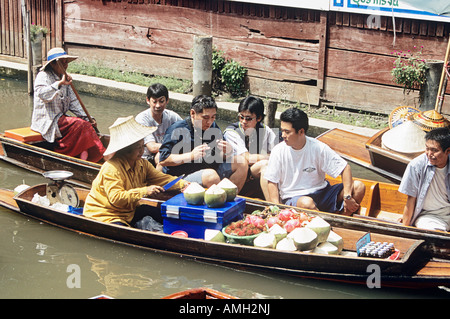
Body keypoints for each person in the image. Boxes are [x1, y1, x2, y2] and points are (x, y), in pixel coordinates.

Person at [83, 116, 186, 228]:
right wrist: (145, 190)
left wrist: (183, 184)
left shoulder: (142, 164)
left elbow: (161, 178)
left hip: (129, 212)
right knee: (128, 228)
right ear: (125, 150)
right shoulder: (111, 168)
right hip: (106, 215)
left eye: (142, 146)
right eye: (138, 148)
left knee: (161, 213)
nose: (142, 150)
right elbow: (116, 199)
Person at [264, 107, 365, 215]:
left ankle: (339, 222)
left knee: (359, 187)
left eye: (287, 132)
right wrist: (278, 210)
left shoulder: (318, 147)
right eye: (282, 130)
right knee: (307, 203)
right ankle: (327, 224)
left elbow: (345, 168)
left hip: (323, 193)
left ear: (301, 131)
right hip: (295, 198)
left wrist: (347, 196)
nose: (283, 135)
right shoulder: (278, 151)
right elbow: (272, 182)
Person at [159, 95, 248, 192]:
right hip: (182, 177)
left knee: (241, 162)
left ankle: (229, 198)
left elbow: (219, 157)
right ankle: (219, 200)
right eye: (205, 117)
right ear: (193, 113)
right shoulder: (177, 129)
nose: (209, 122)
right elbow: (163, 160)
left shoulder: (213, 127)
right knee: (211, 176)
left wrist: (227, 152)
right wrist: (191, 155)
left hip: (208, 170)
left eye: (213, 117)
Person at [31, 47, 105, 162]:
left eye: (66, 62)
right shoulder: (43, 76)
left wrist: (88, 118)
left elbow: (74, 102)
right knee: (81, 125)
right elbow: (42, 95)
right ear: (54, 64)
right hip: (48, 121)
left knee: (86, 124)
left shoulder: (65, 78)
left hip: (61, 119)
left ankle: (89, 156)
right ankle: (92, 156)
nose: (65, 65)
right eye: (62, 62)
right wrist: (59, 84)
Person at [223, 96, 279, 199]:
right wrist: (271, 157)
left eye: (248, 118)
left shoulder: (266, 130)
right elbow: (247, 158)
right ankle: (272, 205)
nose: (244, 121)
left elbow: (278, 153)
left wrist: (274, 157)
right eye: (241, 117)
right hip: (236, 172)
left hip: (254, 172)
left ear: (259, 118)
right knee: (265, 165)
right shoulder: (231, 132)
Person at [399, 127, 450, 231]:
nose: (429, 154)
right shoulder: (416, 165)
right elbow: (410, 200)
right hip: (429, 216)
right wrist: (404, 229)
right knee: (435, 235)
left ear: (448, 151)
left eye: (434, 150)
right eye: (427, 148)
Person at [135, 83, 182, 167]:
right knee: (161, 156)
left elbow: (187, 131)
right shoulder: (142, 119)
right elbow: (152, 147)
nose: (158, 105)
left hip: (166, 153)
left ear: (167, 100)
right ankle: (159, 179)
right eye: (154, 101)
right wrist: (174, 146)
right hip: (146, 159)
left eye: (161, 101)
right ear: (148, 100)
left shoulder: (172, 117)